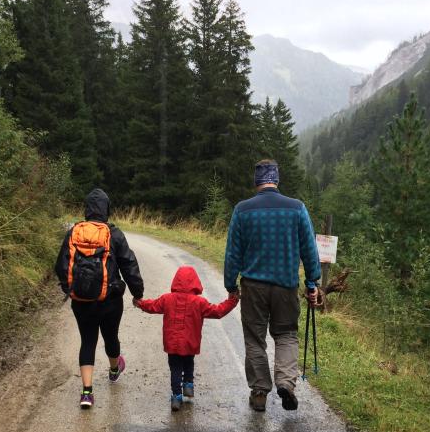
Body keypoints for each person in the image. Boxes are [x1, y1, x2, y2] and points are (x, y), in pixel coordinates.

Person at [223, 159, 321, 412]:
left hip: (254, 286)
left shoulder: (242, 210)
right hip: (286, 286)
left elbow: (233, 253)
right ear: (276, 179)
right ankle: (286, 383)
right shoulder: (297, 208)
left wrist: (230, 284)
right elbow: (309, 250)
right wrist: (313, 282)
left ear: (256, 181)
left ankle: (259, 392)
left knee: (255, 339)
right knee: (286, 334)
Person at [55, 188, 144, 409]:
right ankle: (114, 370)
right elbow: (129, 265)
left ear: (86, 209)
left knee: (87, 341)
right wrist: (137, 293)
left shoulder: (74, 232)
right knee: (110, 336)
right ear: (106, 209)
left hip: (81, 301)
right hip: (110, 300)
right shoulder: (114, 234)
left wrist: (71, 288)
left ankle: (87, 393)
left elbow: (61, 265)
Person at [134, 265, 239, 411]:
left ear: (176, 281)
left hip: (172, 343)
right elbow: (217, 311)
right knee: (189, 362)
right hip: (190, 342)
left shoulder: (167, 299)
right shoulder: (199, 302)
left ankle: (176, 396)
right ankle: (188, 385)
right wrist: (232, 301)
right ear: (195, 282)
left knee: (175, 368)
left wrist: (139, 303)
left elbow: (152, 306)